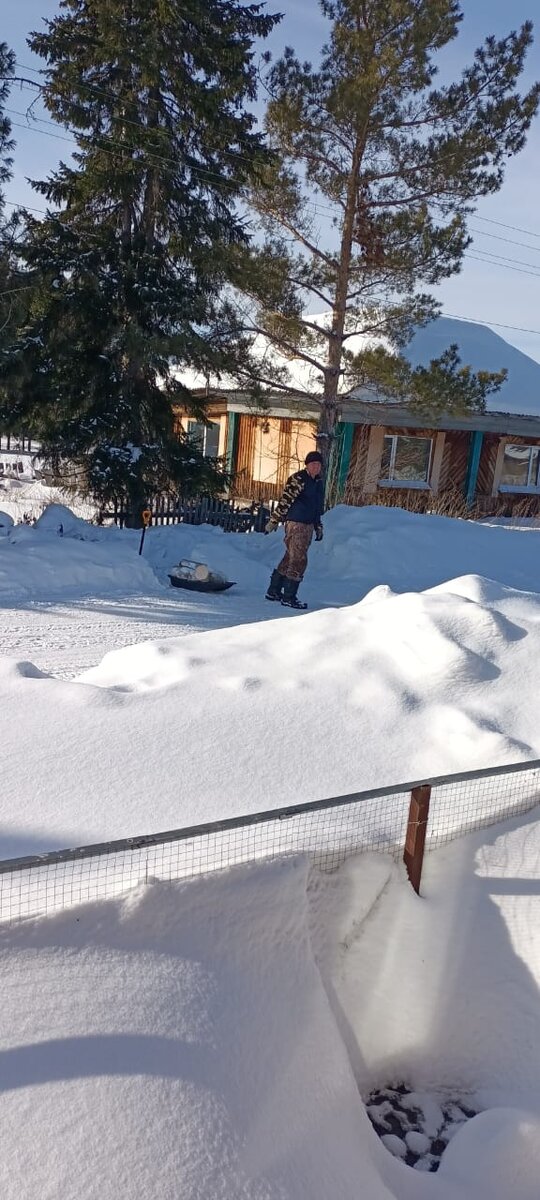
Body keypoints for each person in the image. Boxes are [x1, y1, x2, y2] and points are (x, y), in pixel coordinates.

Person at [264, 450, 324, 609]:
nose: (316, 467)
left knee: (290, 557)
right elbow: (286, 500)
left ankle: (274, 591)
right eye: (313, 464)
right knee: (299, 560)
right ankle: (289, 596)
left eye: (319, 465)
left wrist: (318, 526)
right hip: (296, 524)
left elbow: (318, 507)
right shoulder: (299, 479)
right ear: (307, 465)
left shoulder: (318, 482)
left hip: (308, 525)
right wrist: (274, 520)